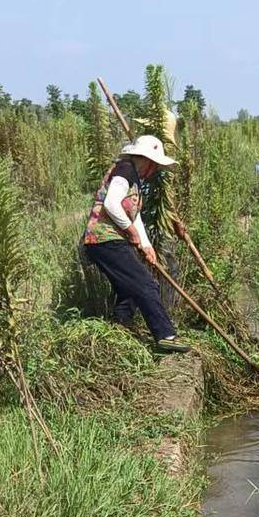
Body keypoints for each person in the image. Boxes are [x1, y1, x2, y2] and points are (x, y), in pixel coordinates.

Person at [82, 134, 190, 354]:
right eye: (156, 166)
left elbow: (134, 216)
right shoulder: (125, 169)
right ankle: (165, 336)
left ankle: (118, 331)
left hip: (108, 241)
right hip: (104, 239)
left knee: (129, 290)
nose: (156, 171)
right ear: (148, 161)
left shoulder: (133, 178)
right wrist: (131, 233)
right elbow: (112, 204)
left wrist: (146, 245)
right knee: (146, 285)